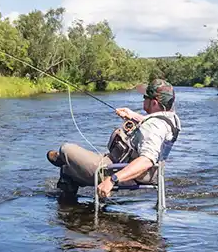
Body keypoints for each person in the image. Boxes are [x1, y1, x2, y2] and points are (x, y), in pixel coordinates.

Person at [47, 78, 182, 201]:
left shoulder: (153, 127)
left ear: (154, 102)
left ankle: (63, 163)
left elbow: (146, 160)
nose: (143, 99)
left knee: (66, 149)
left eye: (145, 97)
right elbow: (154, 127)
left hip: (116, 170)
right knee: (68, 167)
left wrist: (112, 180)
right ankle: (67, 181)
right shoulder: (171, 119)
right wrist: (133, 116)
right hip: (131, 167)